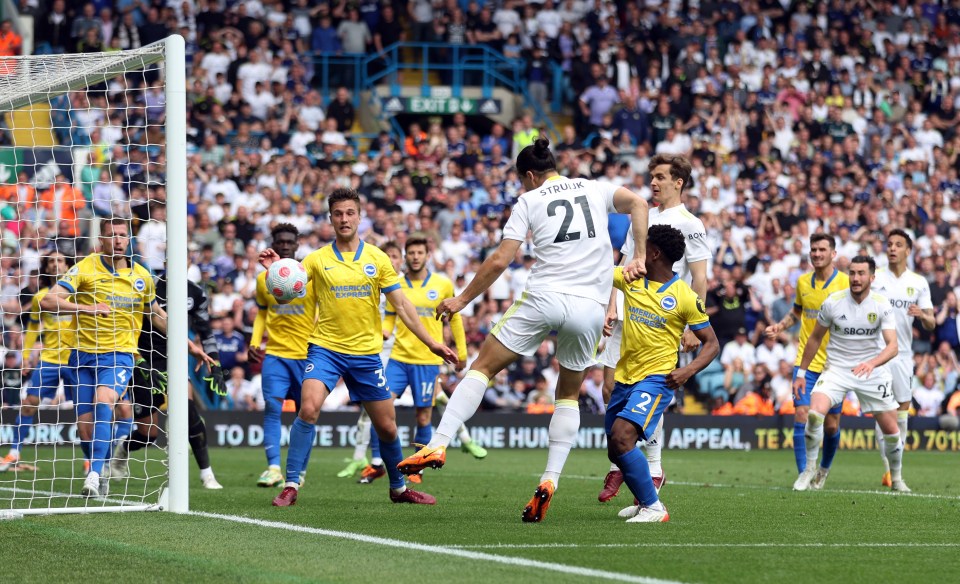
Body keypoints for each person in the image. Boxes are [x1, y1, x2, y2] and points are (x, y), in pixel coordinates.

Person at [398, 137, 650, 523]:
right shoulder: (594, 187)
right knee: (567, 394)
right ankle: (550, 479)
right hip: (589, 309)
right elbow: (639, 203)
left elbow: (502, 258)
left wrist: (462, 300)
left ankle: (439, 442)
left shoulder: (529, 201)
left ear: (530, 176)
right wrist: (639, 256)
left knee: (482, 368)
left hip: (545, 296)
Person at [262, 188, 459, 508]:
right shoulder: (316, 259)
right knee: (308, 408)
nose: (344, 219)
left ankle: (399, 488)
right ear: (330, 218)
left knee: (387, 425)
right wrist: (276, 271)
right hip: (325, 349)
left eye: (349, 213)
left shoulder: (377, 258)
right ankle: (291, 483)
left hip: (366, 354)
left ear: (359, 216)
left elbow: (404, 306)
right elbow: (288, 295)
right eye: (338, 213)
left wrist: (434, 342)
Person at [597, 153, 710, 503]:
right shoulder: (642, 213)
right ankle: (622, 462)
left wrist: (690, 328)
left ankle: (654, 467)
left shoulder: (690, 223)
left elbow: (701, 276)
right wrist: (611, 305)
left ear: (679, 181)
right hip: (629, 310)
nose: (654, 182)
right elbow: (626, 262)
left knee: (648, 389)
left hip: (663, 316)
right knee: (609, 386)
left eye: (661, 176)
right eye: (652, 176)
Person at [40, 218, 165, 498]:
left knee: (105, 400)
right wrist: (86, 308)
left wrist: (188, 341)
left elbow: (156, 315)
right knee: (85, 429)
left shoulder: (142, 277)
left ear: (129, 240)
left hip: (120, 355)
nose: (118, 240)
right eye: (112, 235)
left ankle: (94, 475)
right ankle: (104, 463)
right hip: (82, 358)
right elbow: (49, 301)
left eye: (123, 235)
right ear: (102, 240)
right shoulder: (85, 267)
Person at [607, 225, 719, 522]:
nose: (637, 252)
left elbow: (712, 344)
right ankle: (648, 501)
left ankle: (654, 508)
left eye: (643, 247)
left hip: (657, 378)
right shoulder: (632, 279)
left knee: (622, 437)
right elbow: (597, 272)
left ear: (654, 253)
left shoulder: (684, 295)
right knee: (615, 449)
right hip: (625, 377)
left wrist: (688, 370)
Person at [792, 255, 909, 492]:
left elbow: (893, 346)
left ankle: (896, 479)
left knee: (892, 431)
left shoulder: (881, 304)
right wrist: (801, 373)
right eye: (853, 273)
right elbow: (814, 339)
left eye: (861, 273)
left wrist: (872, 364)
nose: (856, 278)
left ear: (872, 277)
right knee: (814, 414)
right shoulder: (833, 302)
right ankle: (809, 470)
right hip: (836, 369)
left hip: (872, 371)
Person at [360, 237, 469, 484]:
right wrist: (385, 332)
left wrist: (461, 352)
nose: (416, 256)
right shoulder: (396, 284)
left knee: (423, 416)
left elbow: (455, 319)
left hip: (427, 361)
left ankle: (417, 468)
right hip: (398, 357)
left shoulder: (442, 284)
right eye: (411, 253)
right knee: (380, 408)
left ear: (428, 255)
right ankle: (377, 462)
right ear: (405, 256)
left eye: (420, 252)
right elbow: (389, 315)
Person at [112, 264, 225, 489]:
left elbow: (206, 331)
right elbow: (128, 324)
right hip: (143, 360)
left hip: (174, 358)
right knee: (149, 434)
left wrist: (216, 363)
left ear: (189, 262)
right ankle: (123, 448)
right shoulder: (148, 286)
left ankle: (207, 474)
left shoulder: (195, 293)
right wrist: (135, 358)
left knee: (189, 411)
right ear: (166, 262)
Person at [764, 233, 849, 487]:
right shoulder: (802, 282)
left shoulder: (845, 283)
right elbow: (797, 312)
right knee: (801, 413)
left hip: (835, 364)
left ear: (833, 254)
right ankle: (805, 472)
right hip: (806, 361)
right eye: (814, 250)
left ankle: (823, 469)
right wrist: (780, 326)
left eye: (822, 249)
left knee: (831, 426)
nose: (817, 254)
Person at [248, 223, 317, 488]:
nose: (285, 245)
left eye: (290, 241)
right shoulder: (262, 279)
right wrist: (256, 341)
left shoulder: (309, 276)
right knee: (273, 409)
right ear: (274, 243)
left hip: (307, 355)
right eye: (280, 241)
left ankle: (298, 470)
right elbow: (263, 312)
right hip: (275, 354)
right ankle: (274, 467)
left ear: (297, 243)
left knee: (306, 414)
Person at [0, 254, 77, 471]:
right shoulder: (40, 297)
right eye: (51, 261)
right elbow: (33, 327)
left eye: (60, 260)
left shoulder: (80, 294)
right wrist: (25, 356)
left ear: (68, 266)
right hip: (50, 358)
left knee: (85, 411)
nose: (55, 264)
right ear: (46, 267)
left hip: (76, 359)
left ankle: (92, 459)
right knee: (28, 403)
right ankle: (14, 453)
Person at [871, 229, 935, 487]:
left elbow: (931, 323)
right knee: (883, 410)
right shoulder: (875, 279)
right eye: (889, 244)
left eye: (898, 245)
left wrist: (922, 315)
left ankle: (897, 466)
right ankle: (890, 472)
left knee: (902, 411)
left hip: (904, 354)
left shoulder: (918, 282)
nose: (892, 248)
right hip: (878, 353)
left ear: (908, 250)